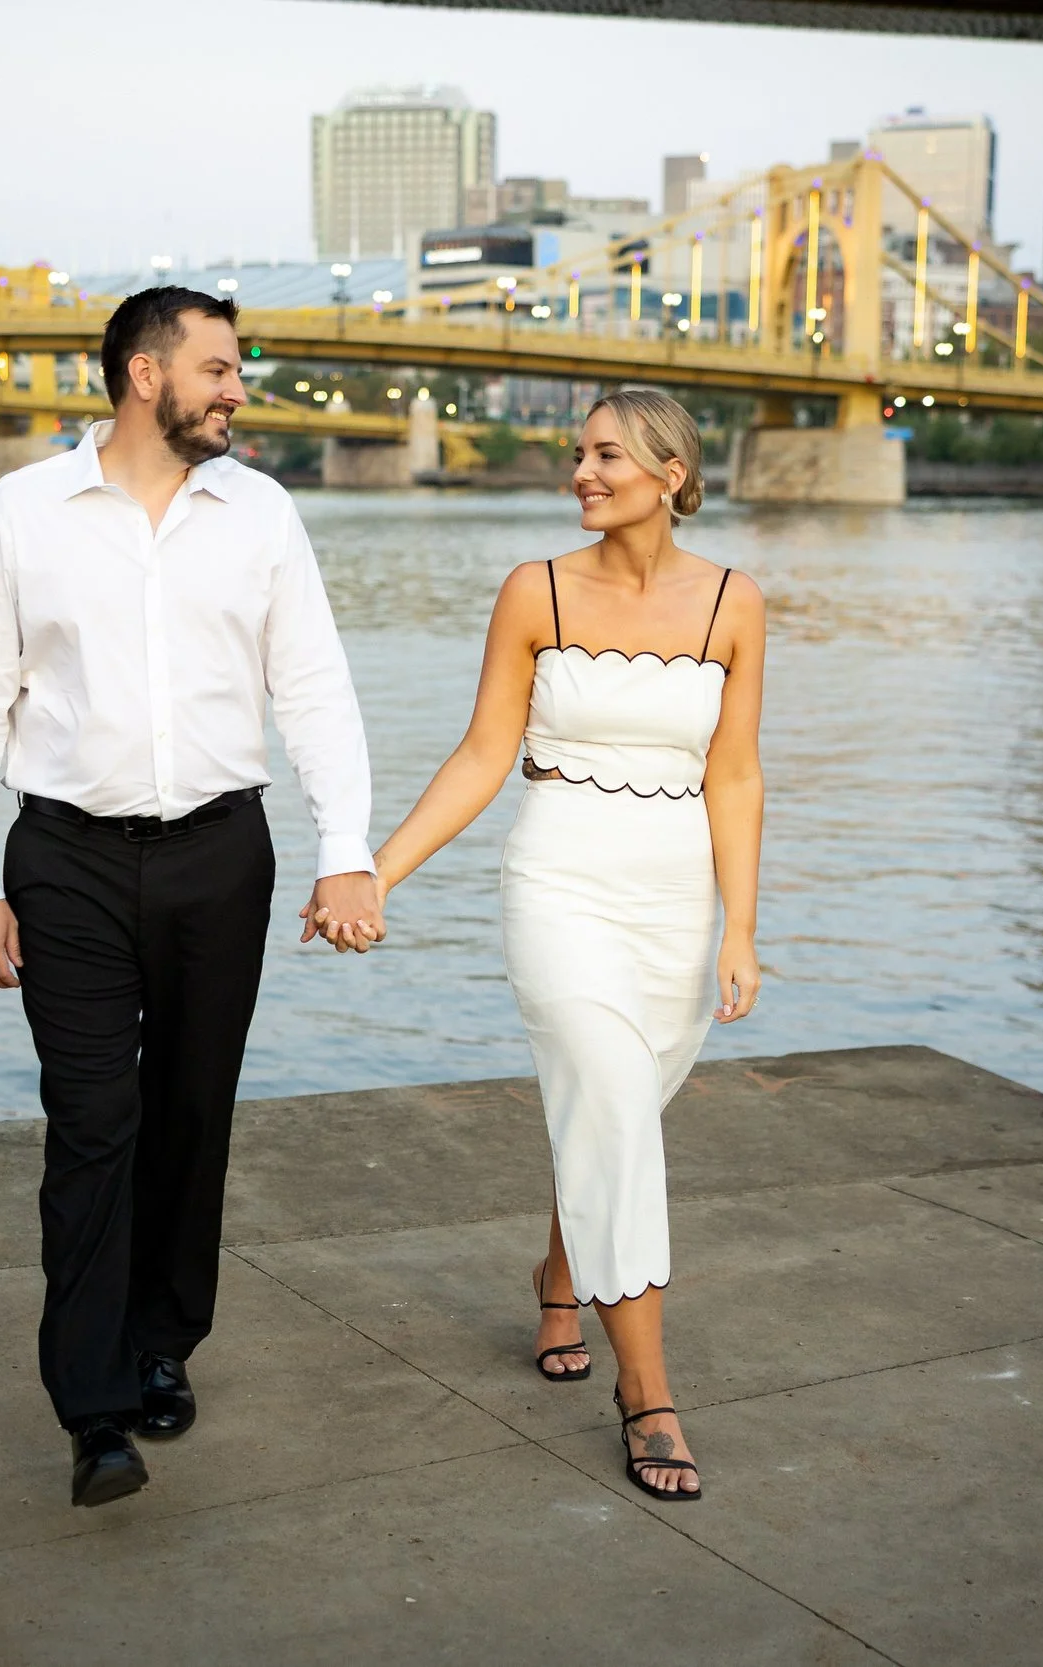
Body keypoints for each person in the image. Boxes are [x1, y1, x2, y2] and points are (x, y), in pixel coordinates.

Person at [0, 286, 383, 1509]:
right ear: (146, 374)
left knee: (192, 1111)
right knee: (93, 1122)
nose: (239, 389)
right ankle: (93, 1408)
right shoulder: (20, 513)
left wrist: (345, 845)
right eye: (221, 369)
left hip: (218, 856)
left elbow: (315, 689)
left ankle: (161, 1344)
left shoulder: (263, 514)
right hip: (65, 858)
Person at [358, 389, 765, 1502]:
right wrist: (374, 870)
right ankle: (649, 1393)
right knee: (611, 1102)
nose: (580, 473)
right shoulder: (531, 591)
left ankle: (558, 1270)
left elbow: (733, 771)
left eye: (604, 454)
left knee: (616, 1109)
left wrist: (739, 925)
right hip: (560, 886)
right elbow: (485, 751)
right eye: (576, 453)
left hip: (676, 903)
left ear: (671, 471)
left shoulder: (734, 603)